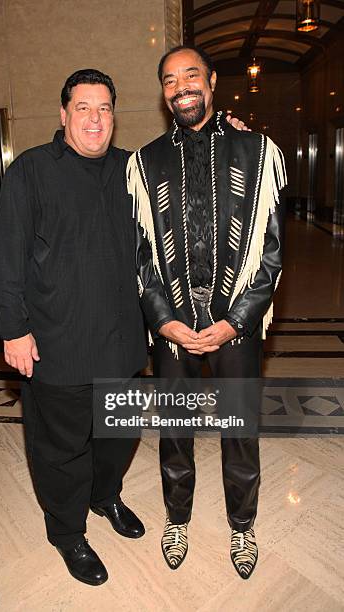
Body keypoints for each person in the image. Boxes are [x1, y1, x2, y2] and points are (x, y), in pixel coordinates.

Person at [127, 45, 286, 579]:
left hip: (234, 323)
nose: (181, 87)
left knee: (239, 427)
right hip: (171, 324)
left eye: (191, 75)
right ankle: (178, 516)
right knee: (175, 427)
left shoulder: (257, 150)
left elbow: (270, 253)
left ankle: (242, 524)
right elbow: (142, 256)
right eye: (170, 80)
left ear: (212, 81)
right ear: (163, 93)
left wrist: (235, 321)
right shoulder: (144, 163)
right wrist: (163, 320)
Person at [0, 69, 148, 587]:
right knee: (62, 450)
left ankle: (105, 497)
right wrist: (13, 329)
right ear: (63, 114)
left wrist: (225, 132)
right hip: (59, 342)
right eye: (83, 107)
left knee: (118, 436)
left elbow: (189, 179)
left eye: (103, 108)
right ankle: (68, 531)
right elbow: (4, 257)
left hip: (124, 341)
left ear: (113, 116)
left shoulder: (132, 171)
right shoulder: (32, 170)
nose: (94, 118)